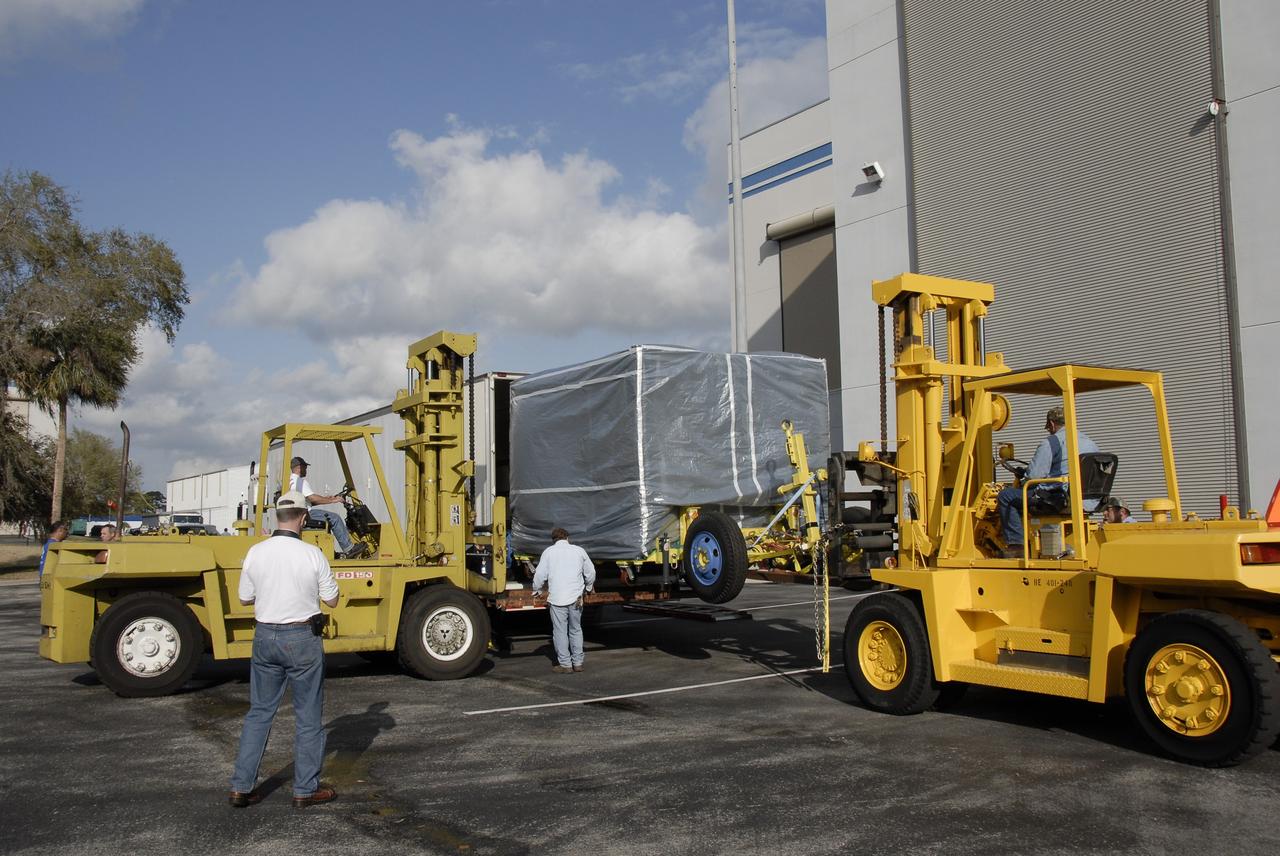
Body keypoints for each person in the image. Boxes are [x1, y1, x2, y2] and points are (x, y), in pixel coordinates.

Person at [228, 490, 340, 809]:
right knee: (307, 717)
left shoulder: (256, 552)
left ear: (277, 517)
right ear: (304, 518)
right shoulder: (312, 554)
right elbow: (331, 599)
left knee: (260, 713)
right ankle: (305, 790)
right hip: (302, 637)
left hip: (265, 637)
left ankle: (241, 786)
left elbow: (245, 598)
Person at [998, 406, 1099, 557]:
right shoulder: (1090, 442)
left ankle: (1016, 545)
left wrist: (1024, 475)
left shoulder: (1051, 442)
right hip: (1086, 498)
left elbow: (1034, 475)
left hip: (1058, 497)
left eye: (1049, 427)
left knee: (1006, 496)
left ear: (1051, 424)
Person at [531, 528, 596, 673]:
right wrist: (589, 587)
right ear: (567, 537)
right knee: (576, 629)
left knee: (560, 631)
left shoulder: (548, 552)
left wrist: (537, 590)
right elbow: (591, 572)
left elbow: (540, 575)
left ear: (553, 539)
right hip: (576, 598)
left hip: (557, 598)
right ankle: (578, 663)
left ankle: (565, 665)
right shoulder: (579, 551)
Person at [288, 456, 361, 559]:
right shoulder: (300, 481)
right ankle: (349, 549)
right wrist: (333, 500)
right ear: (300, 467)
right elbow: (312, 498)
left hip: (295, 515)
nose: (306, 470)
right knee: (335, 518)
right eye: (305, 467)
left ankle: (332, 552)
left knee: (327, 520)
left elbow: (307, 501)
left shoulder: (290, 481)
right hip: (305, 515)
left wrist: (326, 498)